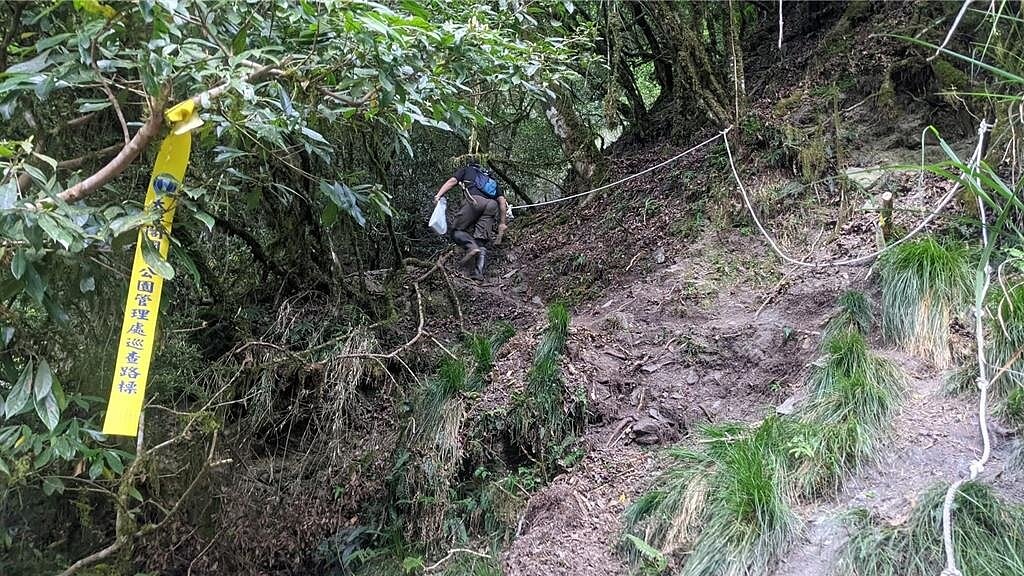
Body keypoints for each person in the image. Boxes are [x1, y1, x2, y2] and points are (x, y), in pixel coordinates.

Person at [433, 161, 508, 279]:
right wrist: (502, 223)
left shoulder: (467, 170)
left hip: (474, 201)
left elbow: (452, 181)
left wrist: (438, 195)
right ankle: (479, 273)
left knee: (456, 231)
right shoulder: (491, 179)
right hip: (492, 205)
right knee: (481, 240)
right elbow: (502, 202)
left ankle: (472, 248)